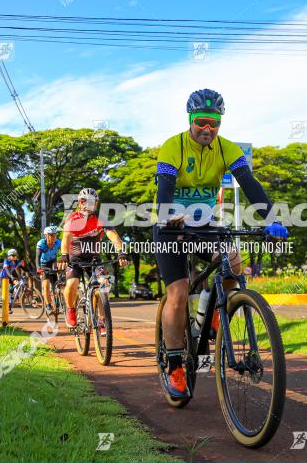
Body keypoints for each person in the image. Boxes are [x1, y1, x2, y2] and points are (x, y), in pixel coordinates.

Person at [154, 88, 287, 399]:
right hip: (170, 225)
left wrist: (270, 220)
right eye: (201, 122)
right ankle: (174, 364)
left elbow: (250, 183)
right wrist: (168, 214)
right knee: (179, 291)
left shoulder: (226, 149)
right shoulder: (173, 147)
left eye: (214, 123)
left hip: (205, 224)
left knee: (233, 261)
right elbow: (165, 189)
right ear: (190, 120)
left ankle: (218, 313)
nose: (207, 129)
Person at [57, 188, 129, 328]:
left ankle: (102, 319)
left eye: (91, 202)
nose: (87, 205)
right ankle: (70, 309)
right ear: (79, 203)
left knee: (103, 285)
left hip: (94, 259)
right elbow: (66, 238)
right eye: (84, 201)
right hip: (75, 258)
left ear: (96, 203)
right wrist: (64, 256)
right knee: (72, 284)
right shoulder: (73, 218)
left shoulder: (100, 219)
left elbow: (113, 235)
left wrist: (121, 252)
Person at [36, 225, 61, 315]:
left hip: (53, 262)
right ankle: (48, 306)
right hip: (43, 265)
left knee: (57, 285)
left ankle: (59, 303)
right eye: (51, 235)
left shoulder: (58, 243)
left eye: (55, 235)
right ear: (46, 235)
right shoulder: (41, 243)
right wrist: (38, 268)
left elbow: (64, 254)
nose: (54, 237)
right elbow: (37, 257)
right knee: (46, 286)